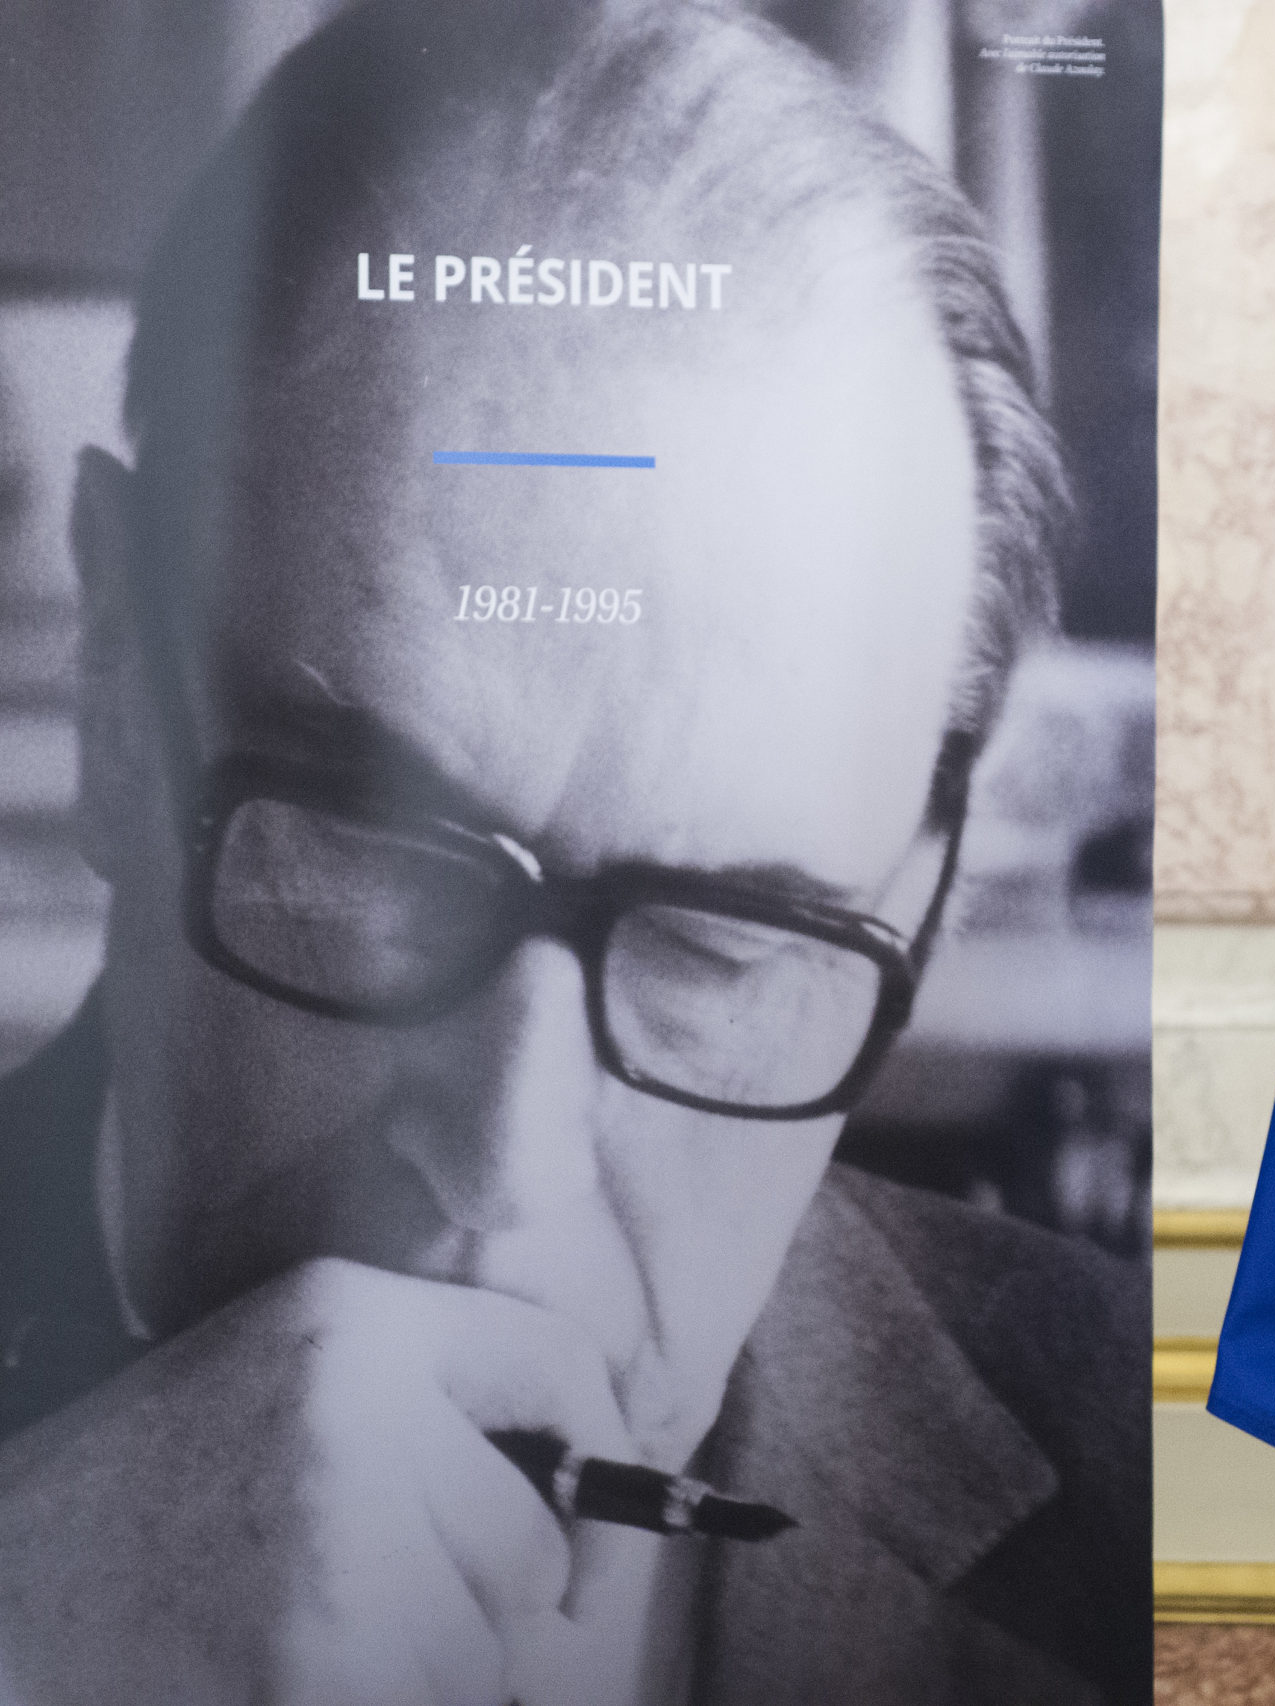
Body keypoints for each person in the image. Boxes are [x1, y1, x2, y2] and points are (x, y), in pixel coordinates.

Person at [0, 3, 1146, 1702]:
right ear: (110, 681)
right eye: (373, 850)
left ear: (925, 891)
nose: (504, 1167)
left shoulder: (1184, 1480)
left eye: (726, 944)